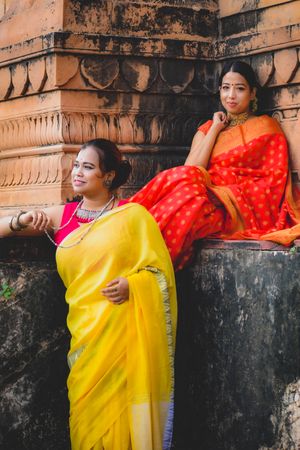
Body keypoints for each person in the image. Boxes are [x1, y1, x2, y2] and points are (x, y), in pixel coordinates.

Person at [0, 139, 177, 450]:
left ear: (107, 175)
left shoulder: (133, 216)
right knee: (87, 425)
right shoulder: (63, 216)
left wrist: (132, 285)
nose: (77, 172)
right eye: (76, 165)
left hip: (123, 338)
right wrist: (21, 220)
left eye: (88, 166)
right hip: (85, 341)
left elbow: (159, 272)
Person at [128, 60, 300, 270]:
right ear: (219, 91)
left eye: (240, 89)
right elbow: (189, 170)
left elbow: (273, 182)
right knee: (185, 192)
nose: (231, 95)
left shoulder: (266, 127)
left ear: (253, 93)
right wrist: (215, 129)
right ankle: (130, 244)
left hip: (234, 208)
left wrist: (226, 190)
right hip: (206, 193)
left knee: (192, 205)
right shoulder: (208, 128)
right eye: (226, 88)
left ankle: (147, 269)